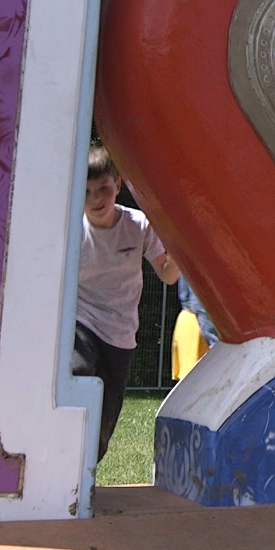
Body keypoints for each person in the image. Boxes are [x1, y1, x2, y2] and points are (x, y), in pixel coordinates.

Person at [74, 143, 178, 463]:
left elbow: (168, 275)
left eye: (104, 189)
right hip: (82, 321)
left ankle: (89, 467)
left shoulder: (138, 225)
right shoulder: (71, 230)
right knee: (77, 370)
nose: (96, 199)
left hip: (119, 332)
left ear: (118, 186)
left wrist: (182, 242)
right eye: (88, 191)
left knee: (106, 420)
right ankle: (66, 462)